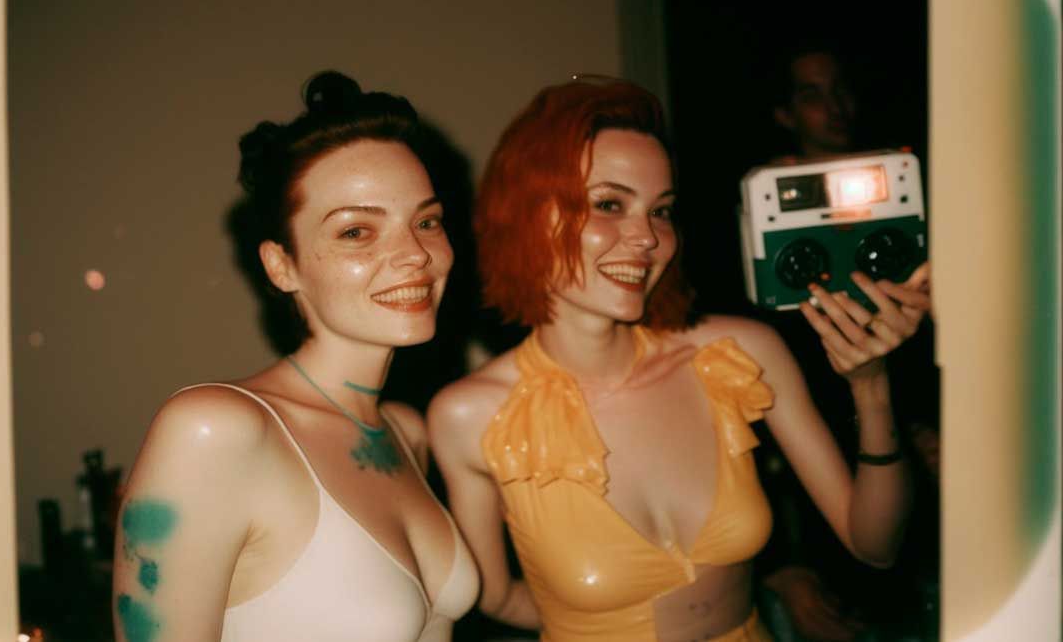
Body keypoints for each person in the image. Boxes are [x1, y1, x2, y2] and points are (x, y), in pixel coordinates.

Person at [428, 78, 930, 642]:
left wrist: (871, 386)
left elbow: (876, 546)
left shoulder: (737, 355)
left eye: (661, 211)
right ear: (529, 216)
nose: (647, 237)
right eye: (609, 204)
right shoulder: (470, 416)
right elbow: (492, 595)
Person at [112, 71, 478, 642]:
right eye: (357, 232)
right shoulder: (217, 430)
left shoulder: (405, 433)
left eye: (426, 221)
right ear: (282, 266)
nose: (414, 254)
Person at [756, 44, 940, 641]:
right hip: (820, 513)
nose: (833, 107)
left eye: (841, 89)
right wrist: (779, 569)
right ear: (784, 112)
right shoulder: (763, 230)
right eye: (812, 94)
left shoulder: (913, 205)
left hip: (926, 495)